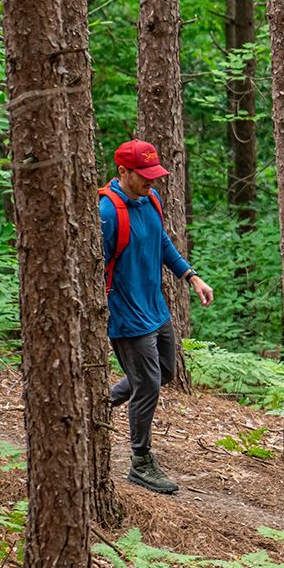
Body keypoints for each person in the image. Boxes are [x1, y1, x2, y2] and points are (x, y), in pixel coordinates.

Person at [100, 139, 214, 494]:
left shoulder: (151, 200)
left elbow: (161, 242)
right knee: (147, 383)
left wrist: (191, 276)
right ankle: (140, 460)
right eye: (144, 175)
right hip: (127, 315)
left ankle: (101, 401)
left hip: (155, 307)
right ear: (123, 172)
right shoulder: (107, 213)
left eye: (154, 174)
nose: (152, 181)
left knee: (165, 372)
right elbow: (93, 267)